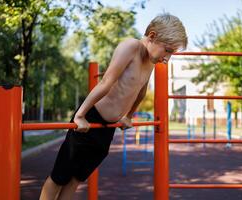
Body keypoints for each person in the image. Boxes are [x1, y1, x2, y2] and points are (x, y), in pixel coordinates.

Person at [40, 13, 187, 199]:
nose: (167, 58)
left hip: (107, 128)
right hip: (90, 117)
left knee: (76, 178)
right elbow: (106, 82)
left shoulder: (150, 61)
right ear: (152, 36)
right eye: (168, 50)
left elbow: (140, 91)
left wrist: (129, 115)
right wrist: (80, 116)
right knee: (60, 176)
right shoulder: (130, 47)